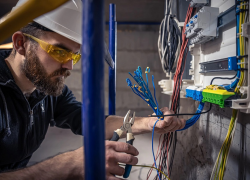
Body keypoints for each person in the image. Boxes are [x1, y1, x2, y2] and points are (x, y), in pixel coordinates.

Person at [0, 0, 186, 179]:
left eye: (74, 55)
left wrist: (148, 123)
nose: (69, 66)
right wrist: (67, 165)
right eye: (59, 52)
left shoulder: (46, 89)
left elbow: (89, 121)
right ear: (20, 44)